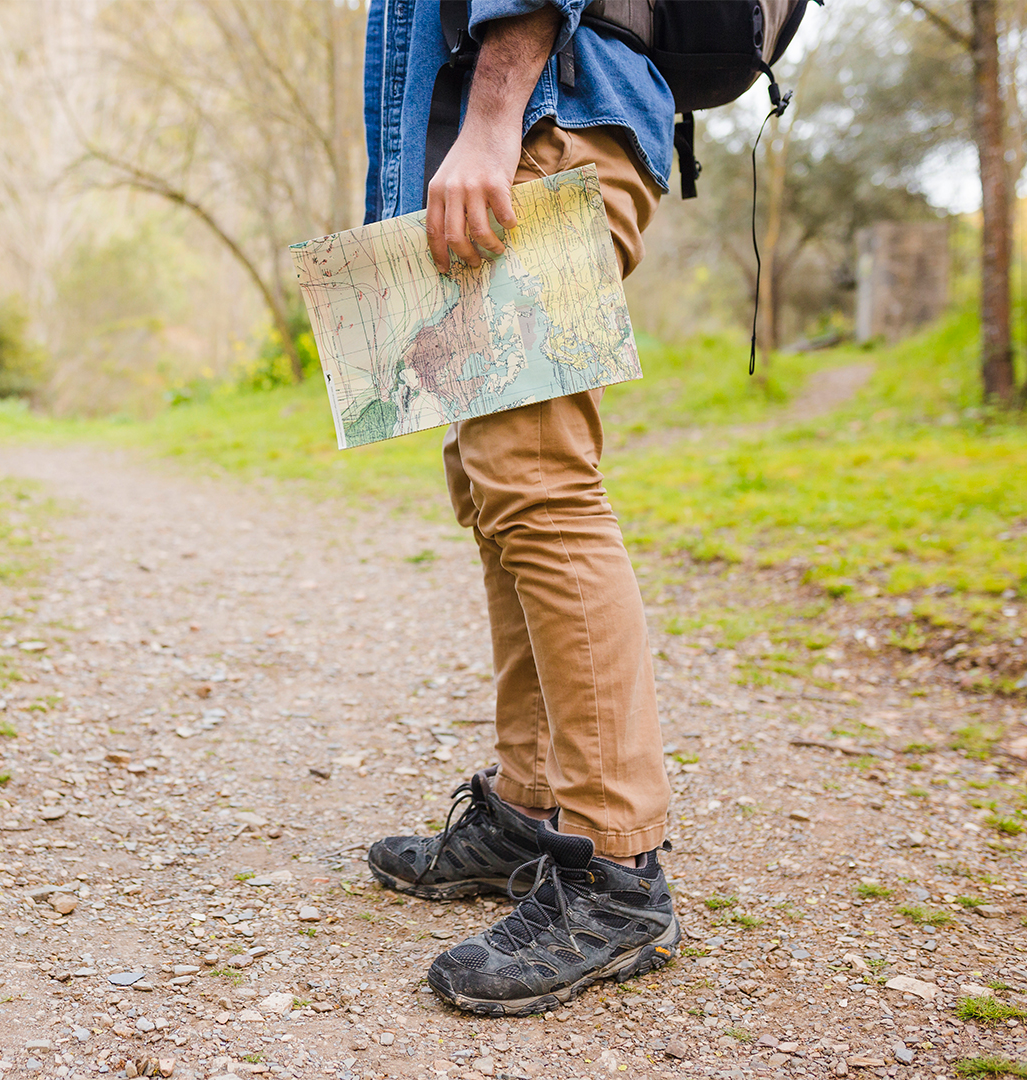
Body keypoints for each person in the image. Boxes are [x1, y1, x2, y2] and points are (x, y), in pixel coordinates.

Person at [361, 0, 680, 1016]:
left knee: (537, 481)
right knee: (495, 480)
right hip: (514, 128)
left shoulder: (522, 113)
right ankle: (530, 804)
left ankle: (613, 869)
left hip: (543, 122)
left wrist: (495, 119)